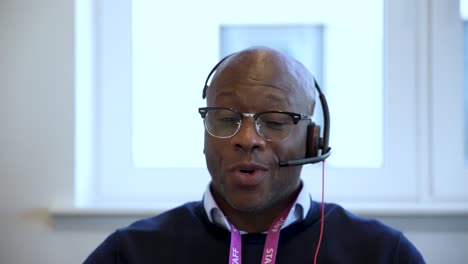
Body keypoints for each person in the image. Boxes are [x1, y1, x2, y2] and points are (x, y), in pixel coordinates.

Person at [84, 46, 425, 263]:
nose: (247, 139)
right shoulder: (128, 253)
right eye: (226, 119)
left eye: (275, 122)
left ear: (313, 141)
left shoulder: (382, 253)